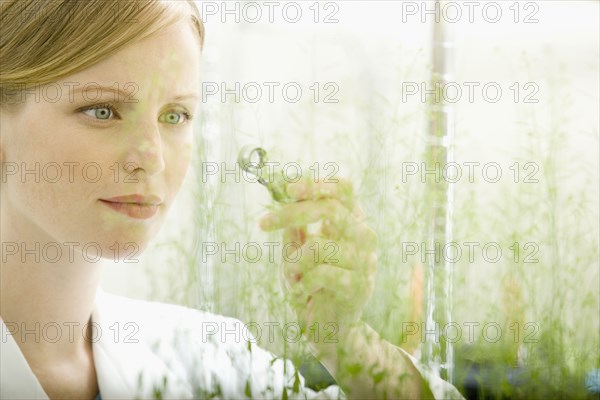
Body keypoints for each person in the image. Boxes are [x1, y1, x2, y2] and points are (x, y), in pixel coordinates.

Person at [0, 1, 464, 399]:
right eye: (102, 111)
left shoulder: (206, 357)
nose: (152, 158)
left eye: (175, 115)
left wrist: (346, 342)